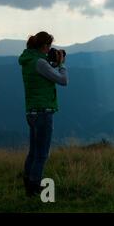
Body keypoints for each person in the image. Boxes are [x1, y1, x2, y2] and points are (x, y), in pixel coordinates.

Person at [18, 31, 68, 197]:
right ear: (44, 46)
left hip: (31, 111)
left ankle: (27, 182)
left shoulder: (29, 60)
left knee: (33, 151)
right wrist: (61, 64)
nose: (50, 50)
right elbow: (63, 81)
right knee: (42, 154)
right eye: (49, 47)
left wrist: (51, 64)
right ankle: (34, 187)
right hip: (43, 112)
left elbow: (43, 73)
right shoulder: (40, 62)